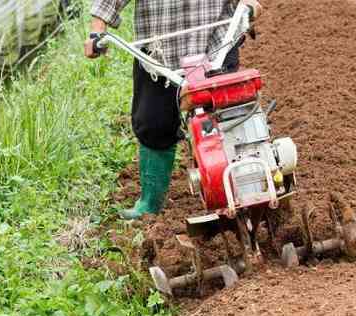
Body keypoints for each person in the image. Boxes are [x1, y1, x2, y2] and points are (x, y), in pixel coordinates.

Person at [84, 0, 261, 219]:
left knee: (227, 116)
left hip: (217, 42)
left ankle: (245, 189)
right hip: (160, 50)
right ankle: (149, 204)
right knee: (153, 123)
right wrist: (97, 30)